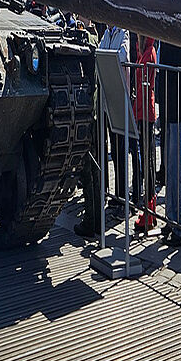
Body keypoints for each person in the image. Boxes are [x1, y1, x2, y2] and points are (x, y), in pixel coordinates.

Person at [158, 39, 181, 246]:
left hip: (175, 109)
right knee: (170, 170)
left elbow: (180, 70)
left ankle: (179, 227)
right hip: (169, 109)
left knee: (174, 170)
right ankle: (171, 219)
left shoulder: (174, 35)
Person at [99, 23, 134, 206]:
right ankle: (115, 194)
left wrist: (106, 58)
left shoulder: (123, 32)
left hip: (119, 98)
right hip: (107, 98)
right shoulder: (107, 33)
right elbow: (98, 52)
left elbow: (123, 55)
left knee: (121, 150)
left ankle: (122, 196)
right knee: (113, 146)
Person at [74, 16, 103, 238]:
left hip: (86, 110)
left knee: (88, 169)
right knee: (94, 168)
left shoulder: (85, 39)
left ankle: (91, 220)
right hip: (93, 110)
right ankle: (95, 220)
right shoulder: (96, 39)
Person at [131, 34, 157, 231]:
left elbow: (145, 87)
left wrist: (137, 110)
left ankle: (149, 210)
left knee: (147, 161)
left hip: (145, 111)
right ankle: (150, 210)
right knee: (146, 160)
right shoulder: (144, 51)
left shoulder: (148, 52)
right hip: (142, 110)